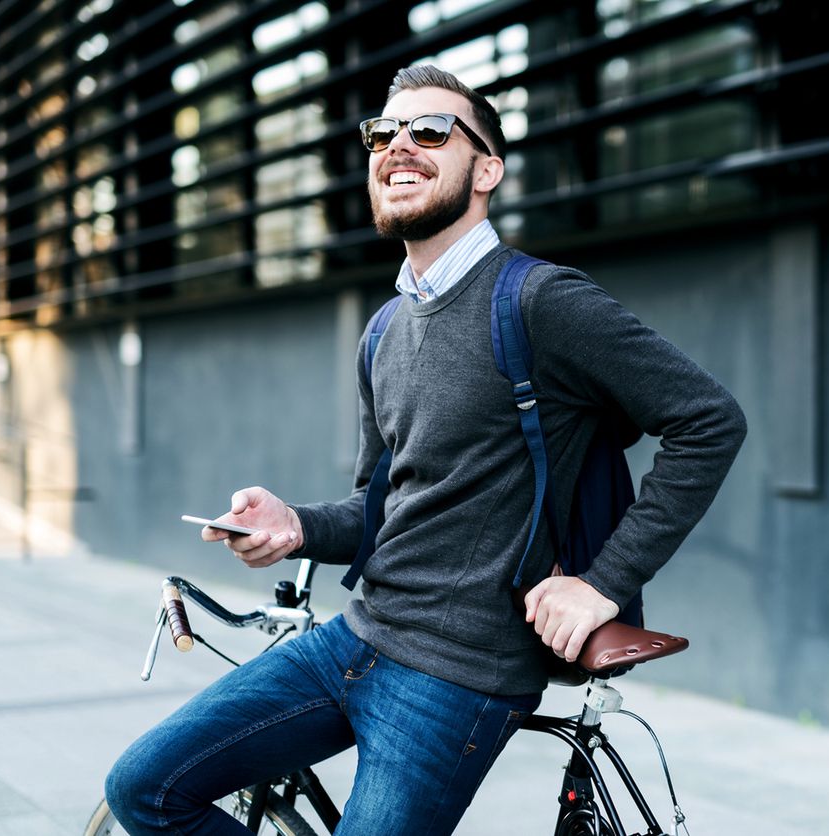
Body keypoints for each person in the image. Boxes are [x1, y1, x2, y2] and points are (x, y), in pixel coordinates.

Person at [105, 64, 746, 834]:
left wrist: (603, 585)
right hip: (351, 639)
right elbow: (383, 507)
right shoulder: (383, 331)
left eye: (432, 130)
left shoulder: (541, 301)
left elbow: (709, 421)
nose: (399, 144)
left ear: (487, 170)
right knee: (142, 786)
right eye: (384, 132)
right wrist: (296, 525)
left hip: (458, 677)